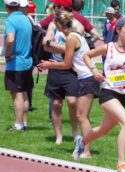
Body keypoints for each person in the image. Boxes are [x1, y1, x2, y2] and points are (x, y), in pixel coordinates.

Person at [73, 17, 125, 172]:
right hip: (108, 94)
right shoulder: (108, 48)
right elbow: (86, 56)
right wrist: (94, 70)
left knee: (103, 130)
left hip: (124, 96)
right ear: (118, 30)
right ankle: (121, 163)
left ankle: (82, 143)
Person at [37, 10, 100, 158]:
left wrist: (49, 65)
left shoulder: (71, 38)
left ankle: (87, 151)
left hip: (87, 79)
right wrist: (54, 63)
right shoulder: (75, 35)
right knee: (81, 115)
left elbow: (66, 64)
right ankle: (83, 147)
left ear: (58, 25)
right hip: (86, 77)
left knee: (83, 117)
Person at [42, 0, 81, 144]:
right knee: (56, 104)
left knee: (72, 101)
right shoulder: (53, 24)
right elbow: (45, 43)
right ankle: (59, 136)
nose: (54, 8)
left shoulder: (76, 25)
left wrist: (52, 45)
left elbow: (72, 48)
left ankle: (75, 133)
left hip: (71, 69)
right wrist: (49, 43)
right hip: (56, 68)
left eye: (57, 6)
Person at [4, 0, 33, 131]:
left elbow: (10, 39)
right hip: (27, 61)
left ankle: (18, 124)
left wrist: (8, 55)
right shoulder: (26, 18)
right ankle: (24, 122)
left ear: (6, 6)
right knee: (25, 93)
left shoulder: (10, 20)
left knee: (17, 95)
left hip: (16, 64)